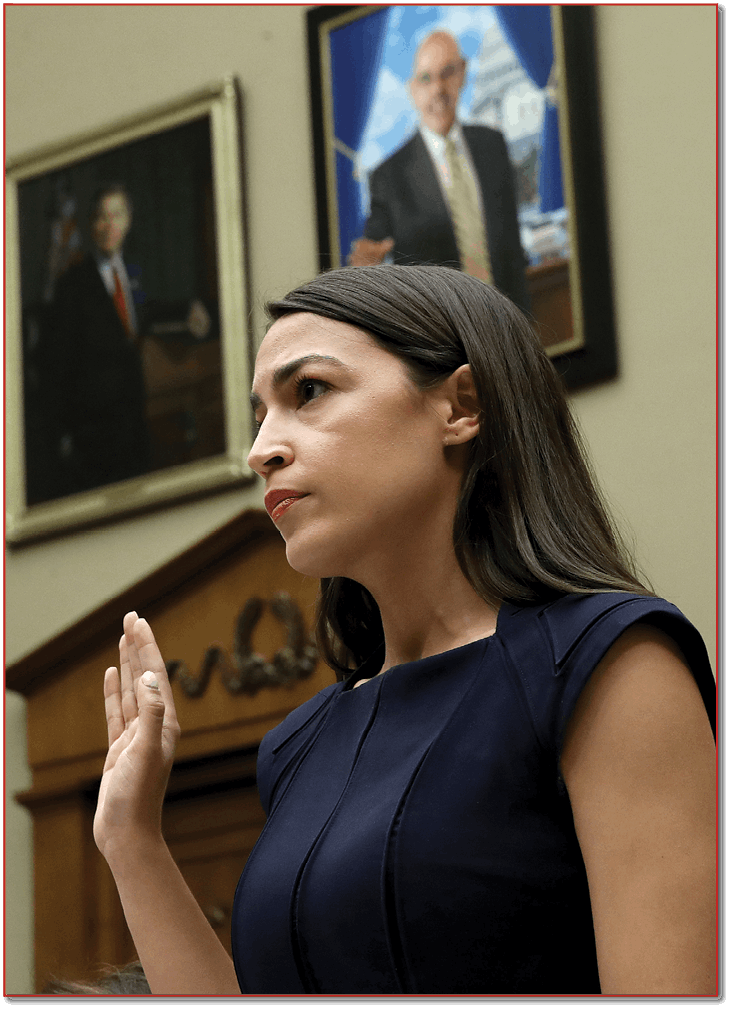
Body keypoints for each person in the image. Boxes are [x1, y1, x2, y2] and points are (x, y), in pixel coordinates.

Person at [93, 266, 715, 995]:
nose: (261, 449)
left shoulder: (612, 663)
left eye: (310, 392)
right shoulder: (299, 744)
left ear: (462, 405)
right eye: (259, 415)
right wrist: (131, 838)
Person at [349, 32, 530, 313]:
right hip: (442, 332)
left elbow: (511, 245)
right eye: (426, 78)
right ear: (412, 90)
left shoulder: (492, 145)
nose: (438, 89)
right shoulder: (388, 176)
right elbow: (373, 249)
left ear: (462, 74)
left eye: (447, 73)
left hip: (509, 319)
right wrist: (365, 265)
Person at [43, 183, 151, 496]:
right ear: (91, 225)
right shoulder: (72, 286)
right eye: (101, 217)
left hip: (135, 425)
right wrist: (63, 434)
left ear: (128, 221)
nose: (108, 225)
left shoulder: (135, 272)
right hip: (93, 436)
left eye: (116, 216)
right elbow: (57, 364)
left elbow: (143, 322)